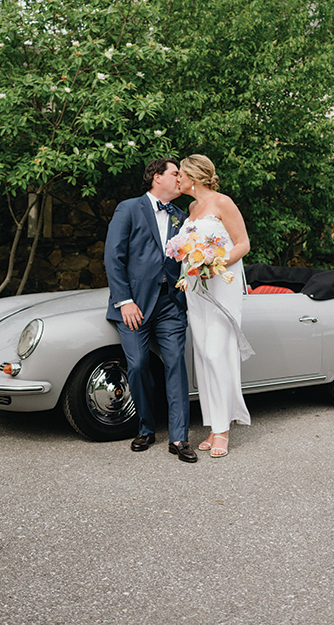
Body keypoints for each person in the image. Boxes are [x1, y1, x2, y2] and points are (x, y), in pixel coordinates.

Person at [104, 158, 197, 463]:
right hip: (135, 305)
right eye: (175, 174)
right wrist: (124, 300)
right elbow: (113, 258)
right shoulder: (129, 208)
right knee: (139, 364)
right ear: (157, 178)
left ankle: (180, 437)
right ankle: (145, 427)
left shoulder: (181, 217)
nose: (180, 179)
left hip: (170, 304)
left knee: (175, 365)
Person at [172, 154, 253, 458]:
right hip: (195, 287)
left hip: (221, 284)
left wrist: (215, 262)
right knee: (204, 354)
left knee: (218, 351)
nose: (177, 178)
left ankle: (223, 430)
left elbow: (242, 243)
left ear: (193, 176)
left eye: (180, 173)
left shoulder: (223, 202)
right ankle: (214, 424)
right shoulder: (191, 208)